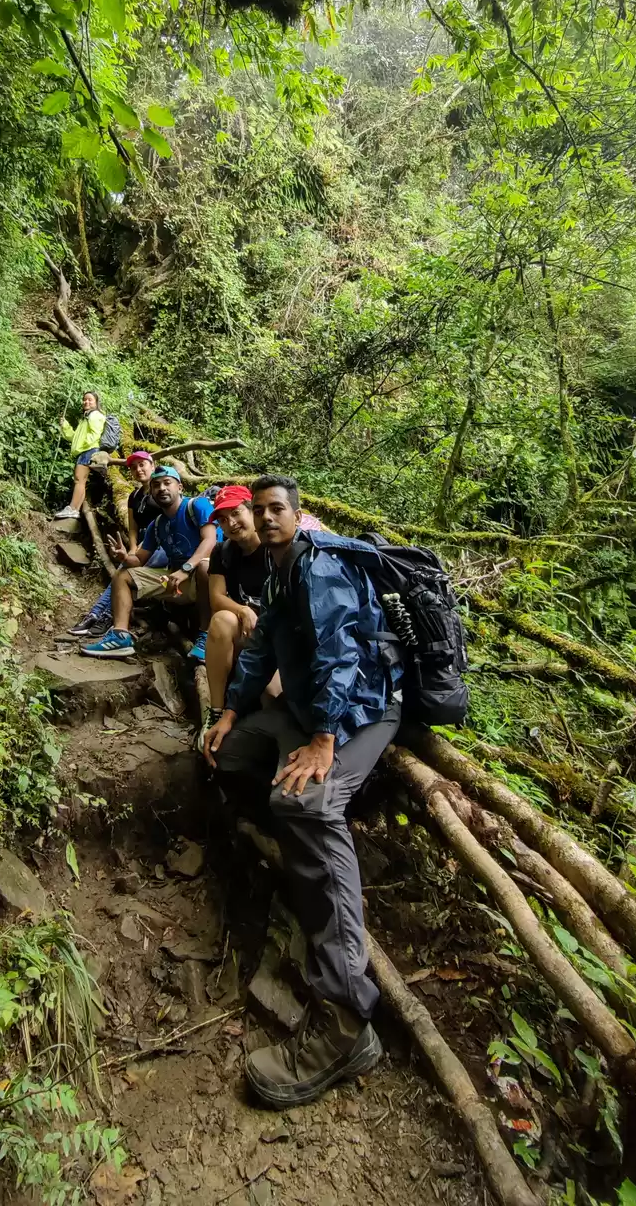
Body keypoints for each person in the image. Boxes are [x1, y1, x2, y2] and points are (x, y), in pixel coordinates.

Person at [203, 474, 401, 1109]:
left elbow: (344, 655)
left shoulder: (320, 568)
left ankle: (346, 1019)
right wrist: (231, 711)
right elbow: (261, 651)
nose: (263, 519)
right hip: (316, 710)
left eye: (274, 509)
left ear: (298, 513)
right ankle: (284, 854)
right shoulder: (281, 572)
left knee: (306, 804)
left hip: (362, 713)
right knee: (231, 754)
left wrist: (323, 739)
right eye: (257, 511)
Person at [80, 465, 218, 662]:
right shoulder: (158, 524)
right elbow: (139, 560)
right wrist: (124, 558)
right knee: (123, 576)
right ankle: (120, 637)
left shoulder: (197, 505)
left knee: (204, 566)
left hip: (210, 578)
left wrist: (186, 569)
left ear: (179, 487)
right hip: (176, 581)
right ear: (151, 492)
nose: (162, 488)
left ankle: (206, 637)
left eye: (167, 483)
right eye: (156, 485)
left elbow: (210, 541)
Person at [67, 451, 164, 637]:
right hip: (143, 544)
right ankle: (95, 614)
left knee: (125, 573)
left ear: (153, 465)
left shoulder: (161, 491)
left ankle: (105, 615)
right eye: (134, 467)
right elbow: (133, 527)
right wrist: (133, 547)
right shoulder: (134, 496)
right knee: (123, 570)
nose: (138, 469)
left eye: (142, 465)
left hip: (160, 545)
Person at [204, 484, 271, 726]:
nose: (230, 523)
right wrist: (242, 610)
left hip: (276, 635)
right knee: (222, 619)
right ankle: (215, 711)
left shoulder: (274, 546)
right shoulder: (223, 552)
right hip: (245, 631)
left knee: (273, 695)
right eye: (222, 519)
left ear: (252, 511)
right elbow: (217, 597)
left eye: (235, 513)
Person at [53, 391, 108, 520]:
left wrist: (84, 446)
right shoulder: (86, 418)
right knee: (81, 481)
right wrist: (65, 426)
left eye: (90, 400)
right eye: (85, 400)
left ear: (96, 403)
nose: (86, 402)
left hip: (88, 450)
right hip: (85, 450)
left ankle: (72, 508)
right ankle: (75, 509)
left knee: (79, 480)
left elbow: (95, 434)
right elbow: (74, 437)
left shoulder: (95, 415)